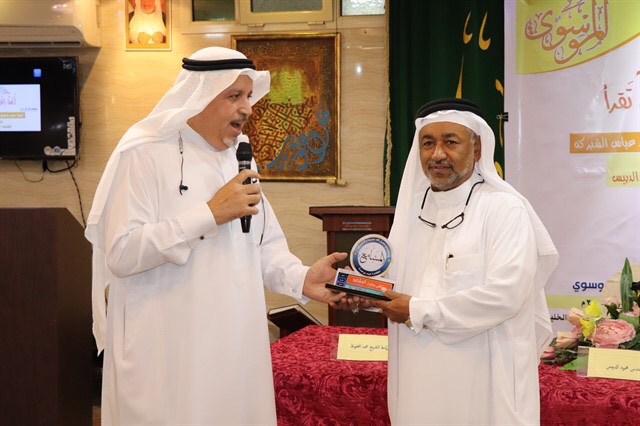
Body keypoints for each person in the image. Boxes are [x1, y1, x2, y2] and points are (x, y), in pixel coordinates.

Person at [85, 46, 348, 425]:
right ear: (199, 96)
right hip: (168, 353)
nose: (247, 108)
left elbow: (263, 246)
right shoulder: (143, 154)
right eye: (234, 96)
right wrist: (208, 214)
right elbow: (122, 253)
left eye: (249, 96)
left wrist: (303, 278)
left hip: (232, 346)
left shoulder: (239, 158)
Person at [369, 98, 559, 425]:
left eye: (450, 142)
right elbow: (397, 287)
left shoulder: (504, 209)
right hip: (418, 375)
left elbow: (506, 295)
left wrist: (418, 310)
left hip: (484, 381)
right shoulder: (412, 211)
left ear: (477, 148)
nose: (437, 154)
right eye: (428, 143)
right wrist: (365, 294)